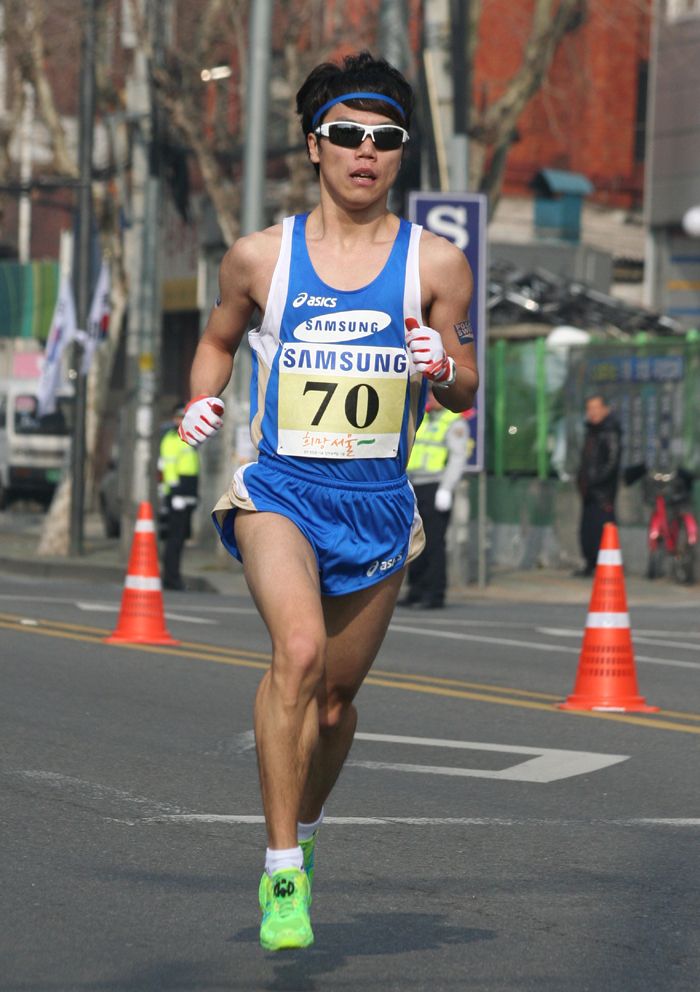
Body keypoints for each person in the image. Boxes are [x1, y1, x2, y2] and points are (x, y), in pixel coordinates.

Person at [178, 52, 478, 951]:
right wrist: (201, 396)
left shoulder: (438, 263)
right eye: (346, 135)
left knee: (336, 704)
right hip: (280, 492)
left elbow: (466, 387)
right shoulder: (261, 257)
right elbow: (217, 341)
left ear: (400, 154)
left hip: (378, 504)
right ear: (315, 146)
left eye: (385, 139)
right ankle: (279, 878)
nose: (365, 152)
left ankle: (301, 839)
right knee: (298, 654)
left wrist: (445, 370)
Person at [401, 395, 469, 608]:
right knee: (414, 541)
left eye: (437, 393)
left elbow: (458, 458)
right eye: (430, 393)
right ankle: (416, 590)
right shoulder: (425, 418)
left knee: (433, 543)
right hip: (414, 484)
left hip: (436, 486)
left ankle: (434, 593)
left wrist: (446, 489)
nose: (433, 397)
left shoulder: (453, 422)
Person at [577, 394, 621, 576]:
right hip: (588, 494)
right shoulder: (591, 431)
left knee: (602, 532)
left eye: (596, 408)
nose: (593, 412)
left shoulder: (609, 431)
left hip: (602, 494)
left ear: (605, 410)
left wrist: (596, 481)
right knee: (586, 532)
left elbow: (612, 462)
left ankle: (606, 568)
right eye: (589, 408)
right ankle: (590, 565)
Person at [160, 403, 199, 590]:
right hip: (177, 497)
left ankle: (174, 576)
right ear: (175, 419)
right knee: (174, 540)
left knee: (181, 539)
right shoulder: (171, 440)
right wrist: (175, 495)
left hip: (188, 495)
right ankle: (171, 578)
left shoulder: (190, 439)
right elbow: (169, 470)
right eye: (181, 417)